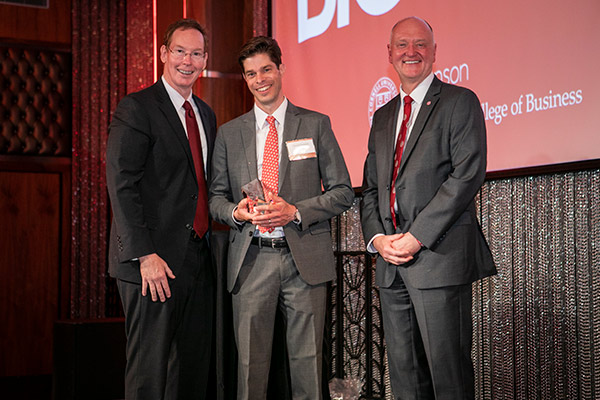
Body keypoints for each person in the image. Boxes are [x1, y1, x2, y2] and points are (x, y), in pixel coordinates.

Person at [209, 36, 354, 400]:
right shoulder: (229, 134)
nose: (260, 79)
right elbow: (214, 199)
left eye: (266, 69)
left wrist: (297, 211)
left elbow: (343, 192)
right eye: (251, 73)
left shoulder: (316, 124)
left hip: (303, 260)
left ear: (281, 69)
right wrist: (234, 212)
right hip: (251, 260)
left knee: (308, 369)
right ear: (245, 79)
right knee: (249, 373)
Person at [360, 17, 496, 399]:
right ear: (389, 54)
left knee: (448, 379)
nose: (411, 52)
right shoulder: (383, 116)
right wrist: (378, 239)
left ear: (435, 52)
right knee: (405, 381)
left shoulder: (459, 101)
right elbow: (372, 188)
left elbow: (467, 175)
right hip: (390, 267)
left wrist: (416, 237)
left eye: (420, 44)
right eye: (402, 45)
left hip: (439, 260)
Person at [106, 19, 216, 399]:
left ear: (205, 59)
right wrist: (145, 255)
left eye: (197, 53)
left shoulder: (205, 113)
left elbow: (200, 185)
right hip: (151, 263)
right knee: (150, 373)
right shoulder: (137, 107)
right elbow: (121, 185)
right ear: (164, 54)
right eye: (180, 51)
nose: (188, 60)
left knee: (189, 369)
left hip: (197, 259)